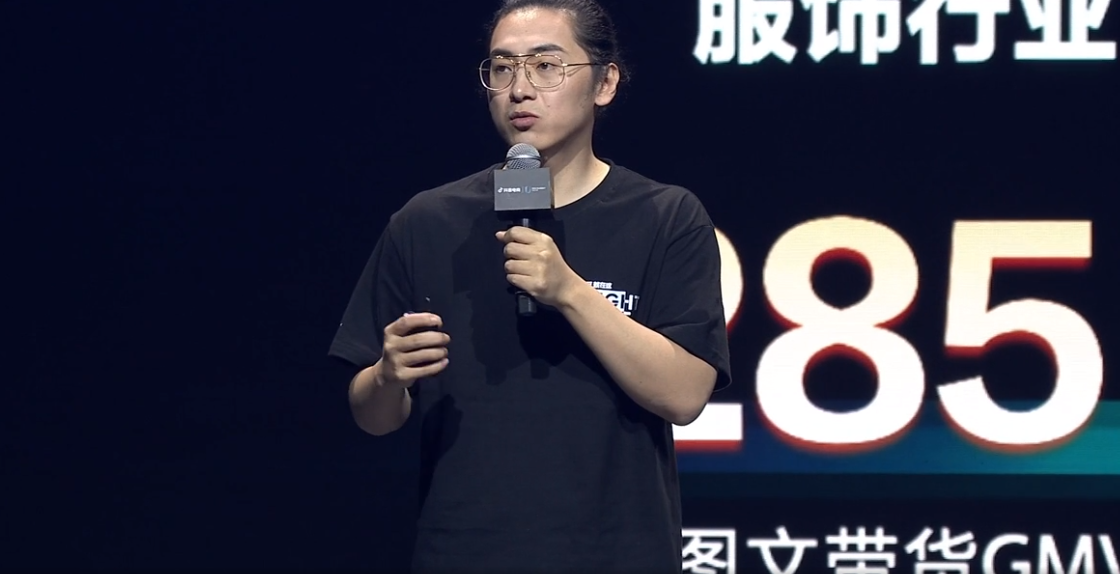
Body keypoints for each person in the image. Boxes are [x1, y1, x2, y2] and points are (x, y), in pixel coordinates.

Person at [328, 0, 732, 571]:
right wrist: (387, 376)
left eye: (546, 66)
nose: (520, 89)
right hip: (462, 553)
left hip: (615, 554)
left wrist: (570, 291)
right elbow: (372, 416)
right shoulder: (426, 222)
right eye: (502, 68)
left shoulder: (665, 216)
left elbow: (685, 396)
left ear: (605, 82)